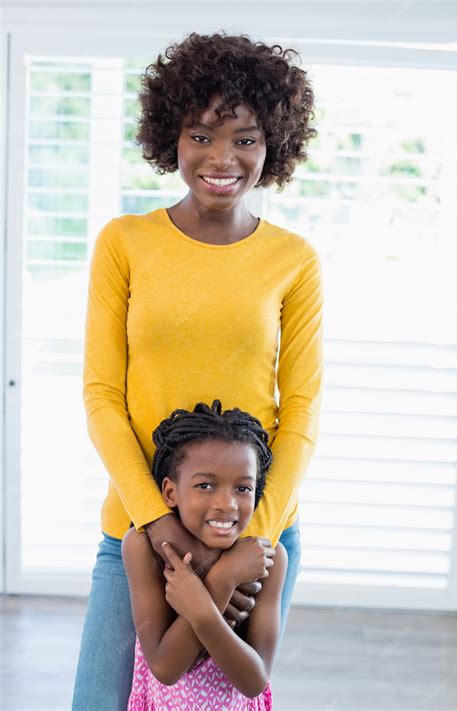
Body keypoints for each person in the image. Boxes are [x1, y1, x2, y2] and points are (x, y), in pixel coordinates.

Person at [72, 30, 323, 710]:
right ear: (170, 138)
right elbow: (101, 395)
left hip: (253, 525)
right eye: (201, 135)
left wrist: (256, 538)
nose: (222, 158)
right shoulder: (124, 243)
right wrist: (159, 521)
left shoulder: (293, 260)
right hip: (140, 524)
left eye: (245, 138)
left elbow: (301, 409)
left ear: (274, 145)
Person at [123, 399, 286, 709]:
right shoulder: (143, 547)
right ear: (170, 492)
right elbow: (166, 668)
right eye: (206, 485)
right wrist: (221, 581)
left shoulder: (270, 559)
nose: (227, 503)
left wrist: (206, 601)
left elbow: (254, 681)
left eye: (243, 489)